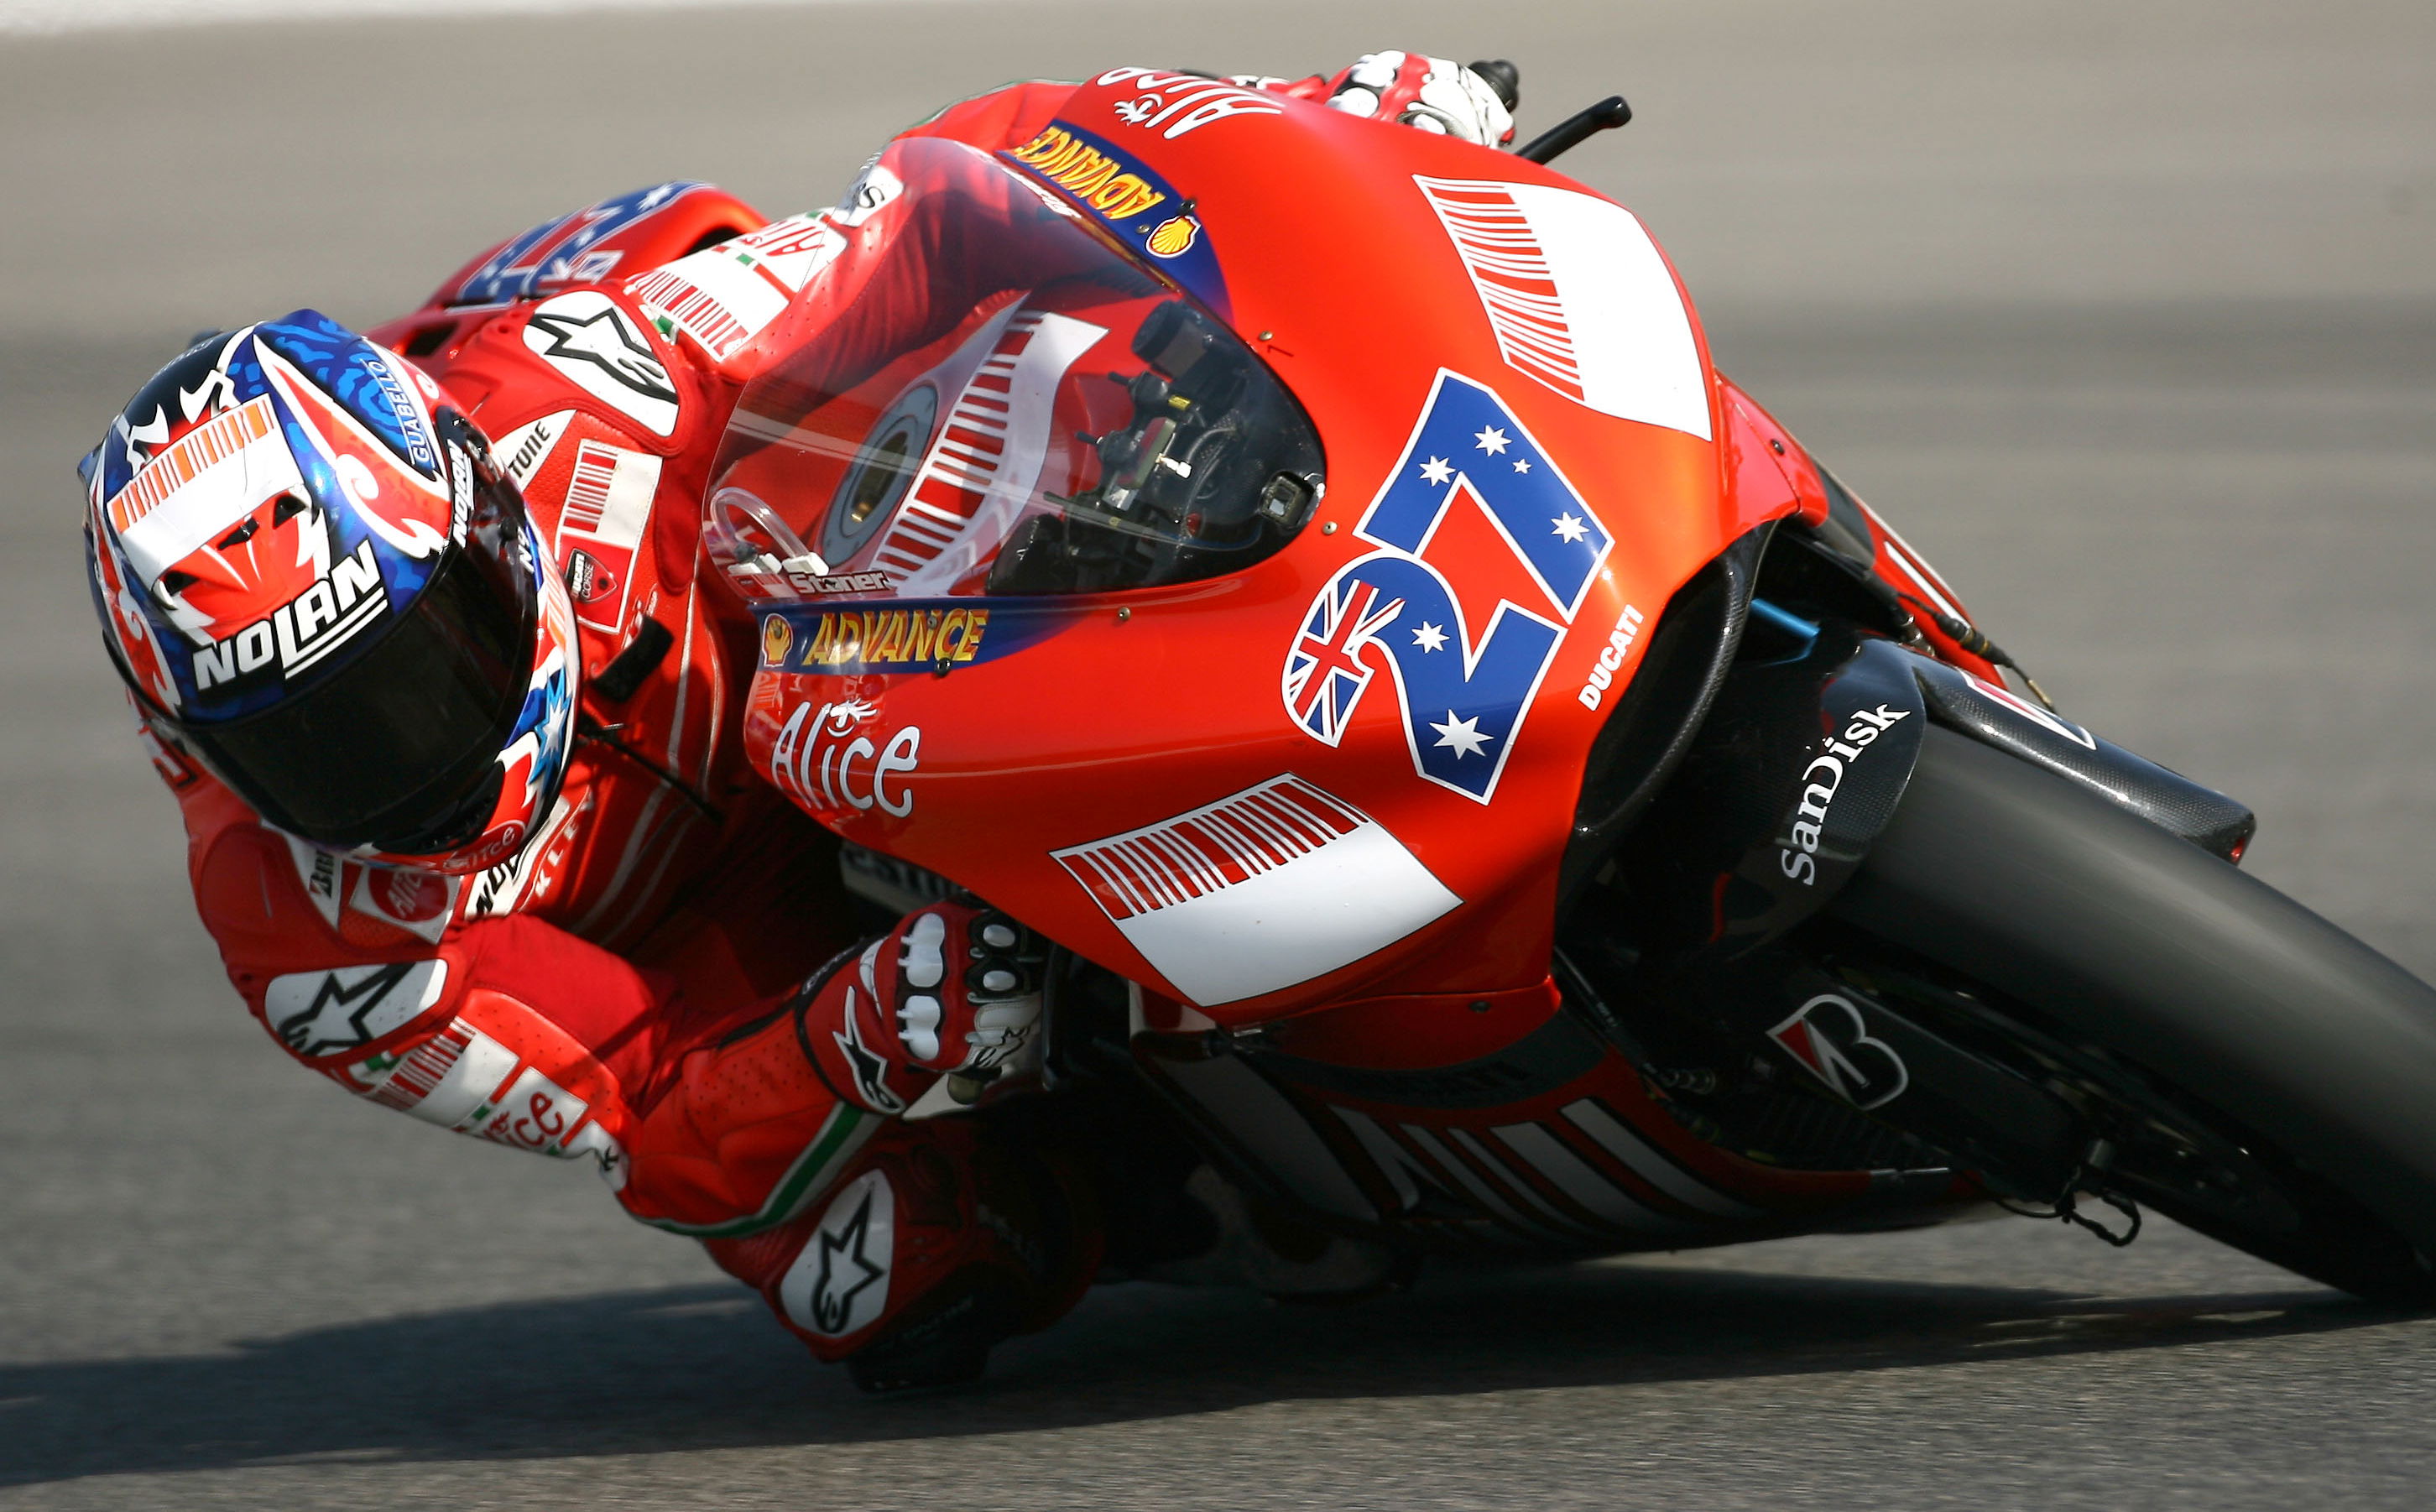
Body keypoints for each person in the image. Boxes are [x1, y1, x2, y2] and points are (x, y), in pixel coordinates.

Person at [79, 54, 1518, 1391]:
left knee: (1103, 379)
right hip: (699, 947)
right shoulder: (313, 946)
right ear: (202, 743)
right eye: (321, 742)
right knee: (902, 1270)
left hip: (831, 626)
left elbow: (963, 205)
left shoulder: (600, 388)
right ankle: (1194, 1165)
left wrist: (1321, 125)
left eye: (429, 663)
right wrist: (855, 1038)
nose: (416, 753)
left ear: (488, 530)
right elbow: (642, 1119)